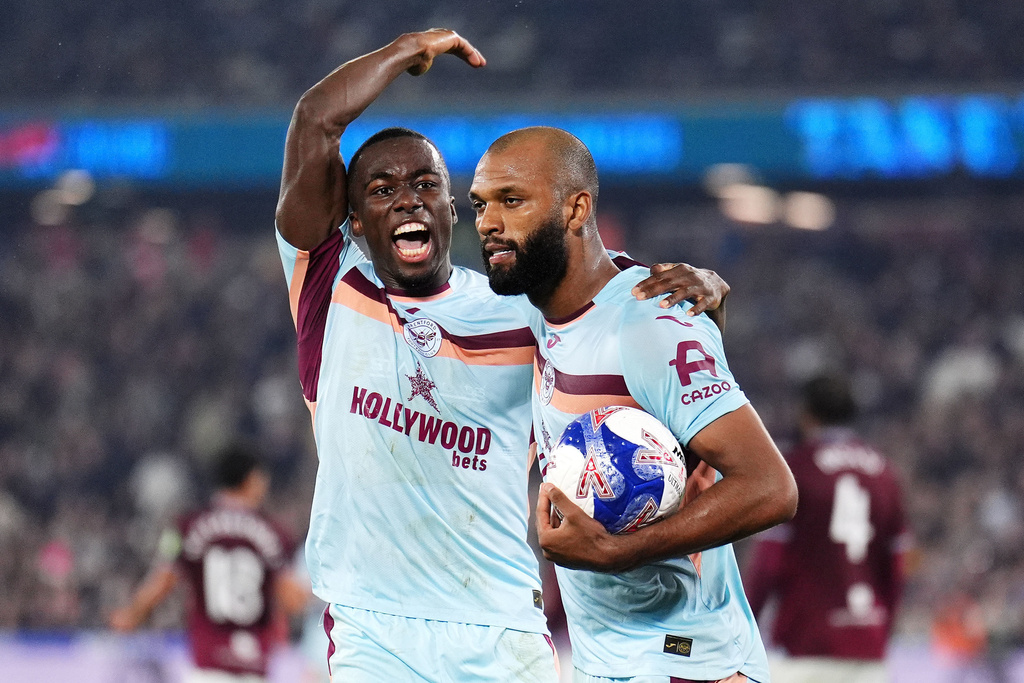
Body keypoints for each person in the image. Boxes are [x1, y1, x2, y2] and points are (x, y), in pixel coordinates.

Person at [275, 29, 731, 682]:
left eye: (425, 183)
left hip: (500, 628)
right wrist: (403, 53)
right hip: (374, 628)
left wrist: (705, 291)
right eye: (381, 190)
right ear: (351, 225)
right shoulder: (329, 282)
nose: (407, 197)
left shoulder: (523, 307)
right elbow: (315, 121)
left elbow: (649, 315)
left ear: (450, 208)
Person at [469, 126, 798, 683]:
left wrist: (621, 551)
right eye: (480, 204)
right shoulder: (539, 307)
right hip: (611, 662)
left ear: (576, 209)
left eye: (513, 201)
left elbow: (772, 487)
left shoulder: (650, 323)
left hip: (686, 661)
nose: (488, 223)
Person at [743, 374, 909, 683]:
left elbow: (769, 564)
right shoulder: (886, 474)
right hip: (868, 649)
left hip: (806, 648)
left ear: (806, 414)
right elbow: (897, 569)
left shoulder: (795, 469)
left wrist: (744, 629)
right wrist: (880, 633)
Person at [110, 444, 308, 682]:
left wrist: (133, 614)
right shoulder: (276, 533)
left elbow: (162, 580)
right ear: (252, 480)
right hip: (253, 667)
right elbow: (293, 599)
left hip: (207, 668)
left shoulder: (185, 526)